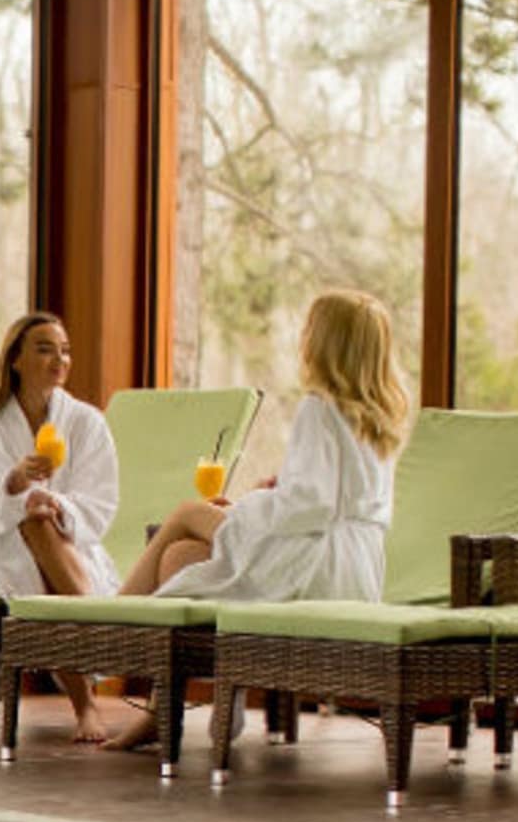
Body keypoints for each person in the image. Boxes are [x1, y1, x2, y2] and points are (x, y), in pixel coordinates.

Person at [106, 288, 407, 751]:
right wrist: (280, 487)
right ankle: (190, 705)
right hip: (356, 569)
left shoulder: (319, 407)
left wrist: (247, 507)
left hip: (312, 561)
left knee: (187, 513)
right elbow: (329, 493)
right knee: (183, 558)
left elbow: (311, 505)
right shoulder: (380, 417)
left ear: (323, 342)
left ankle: (112, 625)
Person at [0, 312, 121, 742]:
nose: (59, 359)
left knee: (41, 523)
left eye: (65, 350)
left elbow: (101, 505)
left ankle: (86, 703)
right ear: (15, 359)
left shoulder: (86, 423)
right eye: (45, 348)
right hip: (5, 548)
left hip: (74, 549)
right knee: (30, 522)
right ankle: (93, 661)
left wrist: (58, 506)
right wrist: (13, 488)